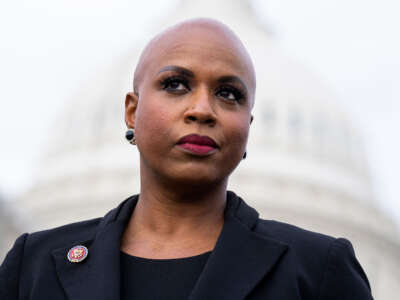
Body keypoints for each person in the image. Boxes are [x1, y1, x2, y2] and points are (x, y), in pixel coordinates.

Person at [0, 18, 373, 300]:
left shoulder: (317, 271)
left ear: (248, 125)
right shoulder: (35, 267)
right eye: (175, 84)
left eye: (229, 94)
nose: (202, 110)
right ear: (132, 111)